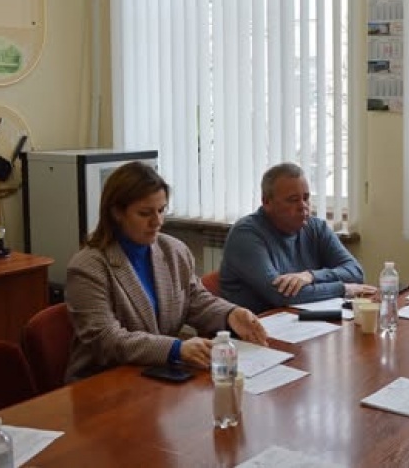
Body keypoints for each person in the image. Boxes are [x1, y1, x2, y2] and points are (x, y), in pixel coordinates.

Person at [65, 162, 267, 381]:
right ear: (117, 213)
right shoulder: (88, 266)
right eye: (145, 213)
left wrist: (230, 314)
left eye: (161, 210)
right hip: (103, 382)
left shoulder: (174, 250)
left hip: (156, 374)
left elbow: (195, 300)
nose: (157, 221)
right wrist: (175, 349)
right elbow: (106, 339)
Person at [220, 163, 376, 314]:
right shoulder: (246, 234)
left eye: (306, 198)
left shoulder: (316, 227)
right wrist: (343, 288)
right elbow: (281, 295)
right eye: (293, 200)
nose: (303, 206)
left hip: (303, 320)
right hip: (256, 325)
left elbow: (356, 273)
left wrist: (310, 276)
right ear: (267, 202)